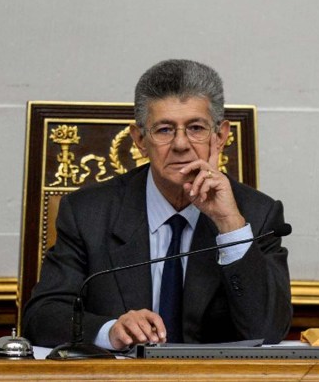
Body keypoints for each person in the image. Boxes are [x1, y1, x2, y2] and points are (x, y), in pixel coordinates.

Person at [22, 59, 292, 350]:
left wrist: (229, 225)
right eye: (164, 130)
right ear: (139, 139)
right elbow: (41, 317)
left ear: (221, 135)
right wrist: (110, 331)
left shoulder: (258, 215)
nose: (180, 144)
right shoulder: (88, 213)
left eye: (196, 128)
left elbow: (268, 331)